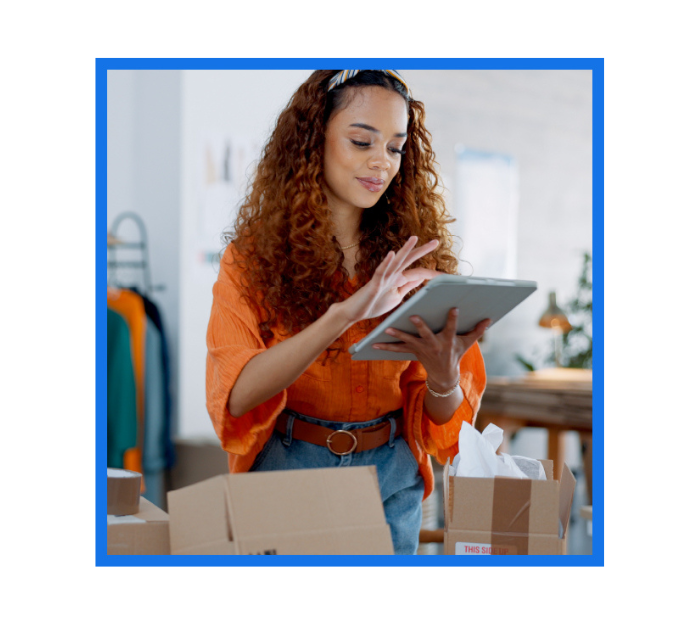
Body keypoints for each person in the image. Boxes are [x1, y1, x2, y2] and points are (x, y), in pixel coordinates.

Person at [206, 69, 490, 555]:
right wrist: (343, 314)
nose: (381, 163)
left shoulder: (419, 262)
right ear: (313, 141)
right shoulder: (251, 260)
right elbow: (236, 396)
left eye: (396, 147)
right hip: (287, 472)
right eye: (362, 141)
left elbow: (441, 419)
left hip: (390, 474)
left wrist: (444, 378)